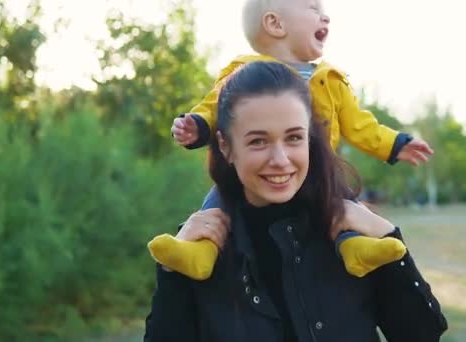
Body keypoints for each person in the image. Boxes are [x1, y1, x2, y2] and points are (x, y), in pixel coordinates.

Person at [144, 61, 447, 342]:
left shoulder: (355, 234)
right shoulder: (199, 246)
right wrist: (173, 276)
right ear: (225, 146)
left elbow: (421, 334)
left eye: (293, 138)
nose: (280, 160)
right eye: (258, 141)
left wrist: (387, 234)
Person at [148, 0, 434, 281]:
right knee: (217, 204)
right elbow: (215, 107)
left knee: (345, 206)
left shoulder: (330, 80)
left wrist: (395, 144)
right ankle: (201, 251)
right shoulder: (244, 75)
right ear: (275, 23)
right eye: (313, 9)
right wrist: (196, 125)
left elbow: (360, 124)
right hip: (251, 176)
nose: (326, 18)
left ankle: (354, 245)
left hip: (317, 171)